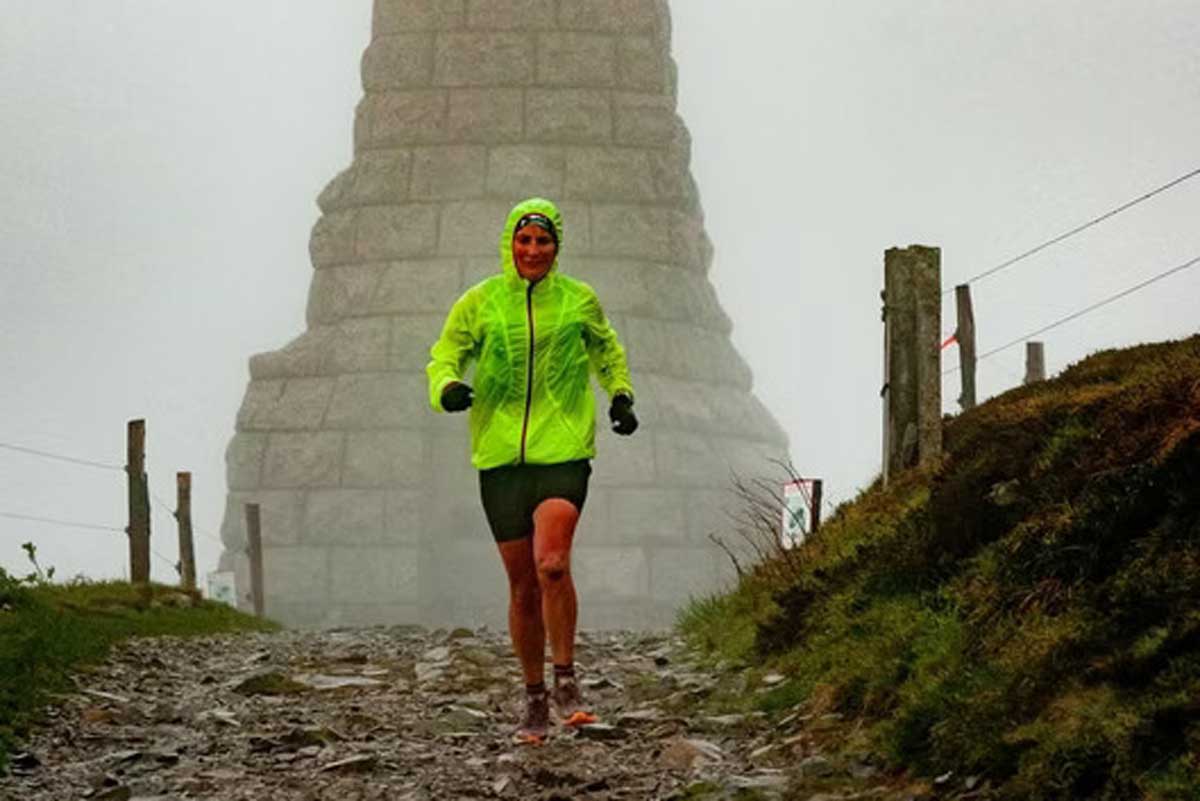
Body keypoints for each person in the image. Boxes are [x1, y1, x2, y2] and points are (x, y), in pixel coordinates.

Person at [426, 197, 639, 743]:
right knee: (522, 586)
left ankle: (566, 678)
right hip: (499, 457)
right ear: (510, 244)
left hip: (564, 448)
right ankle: (534, 696)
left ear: (556, 246)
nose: (533, 250)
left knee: (551, 564)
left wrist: (620, 395)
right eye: (524, 241)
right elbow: (445, 353)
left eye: (543, 242)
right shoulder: (481, 302)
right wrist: (447, 389)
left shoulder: (577, 300)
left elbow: (608, 350)